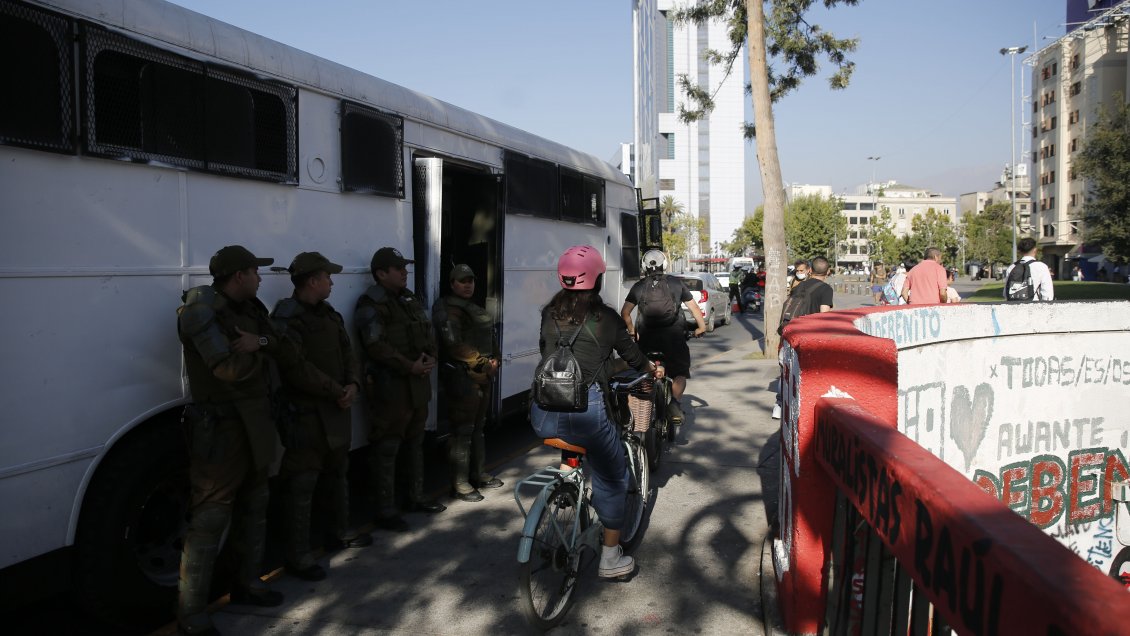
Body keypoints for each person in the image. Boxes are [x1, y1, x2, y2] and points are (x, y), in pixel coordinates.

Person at [176, 246, 345, 635]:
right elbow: (228, 368)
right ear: (238, 275)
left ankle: (247, 584)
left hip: (255, 424)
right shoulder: (202, 311)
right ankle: (191, 613)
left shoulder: (252, 311)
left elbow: (283, 350)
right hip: (220, 430)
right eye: (255, 271)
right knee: (211, 517)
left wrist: (262, 346)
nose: (260, 278)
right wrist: (265, 355)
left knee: (256, 504)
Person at [531, 245, 663, 579]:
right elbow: (634, 358)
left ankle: (566, 486)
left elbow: (548, 352)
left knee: (571, 445)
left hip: (542, 412)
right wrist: (653, 368)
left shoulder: (549, 312)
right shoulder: (605, 318)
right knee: (613, 478)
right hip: (586, 413)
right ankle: (609, 559)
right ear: (597, 279)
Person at [270, 252, 372, 583]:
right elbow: (295, 367)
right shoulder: (286, 318)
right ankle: (298, 556)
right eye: (328, 276)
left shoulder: (329, 314)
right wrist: (335, 390)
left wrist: (353, 384)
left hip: (335, 411)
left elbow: (348, 353)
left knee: (337, 476)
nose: (332, 282)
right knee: (302, 486)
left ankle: (337, 533)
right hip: (306, 416)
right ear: (313, 280)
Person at [354, 247, 445, 533]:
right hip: (391, 387)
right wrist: (409, 366)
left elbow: (427, 331)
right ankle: (386, 509)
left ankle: (415, 497)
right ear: (381, 274)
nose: (405, 272)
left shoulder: (408, 300)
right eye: (399, 268)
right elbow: (375, 345)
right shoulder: (370, 305)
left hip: (416, 384)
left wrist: (431, 357)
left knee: (415, 442)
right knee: (388, 447)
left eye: (405, 268)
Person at [432, 264, 504, 503]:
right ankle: (460, 483)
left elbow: (489, 337)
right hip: (463, 377)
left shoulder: (472, 307)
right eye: (462, 281)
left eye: (471, 280)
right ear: (452, 284)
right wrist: (484, 363)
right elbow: (454, 345)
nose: (468, 285)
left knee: (477, 428)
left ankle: (479, 473)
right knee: (462, 431)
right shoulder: (449, 310)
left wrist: (495, 359)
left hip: (482, 375)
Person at [620, 250, 706, 426]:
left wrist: (631, 330)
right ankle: (674, 404)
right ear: (664, 265)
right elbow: (694, 308)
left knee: (644, 370)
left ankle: (643, 404)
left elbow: (625, 313)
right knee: (680, 373)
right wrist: (701, 327)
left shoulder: (639, 286)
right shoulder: (676, 283)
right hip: (673, 337)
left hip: (646, 338)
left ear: (644, 266)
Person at [772, 256, 833, 420]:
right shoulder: (826, 289)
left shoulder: (798, 286)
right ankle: (801, 410)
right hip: (809, 337)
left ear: (810, 270)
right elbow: (824, 315)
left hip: (790, 334)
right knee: (806, 374)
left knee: (785, 372)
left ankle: (778, 407)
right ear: (828, 272)